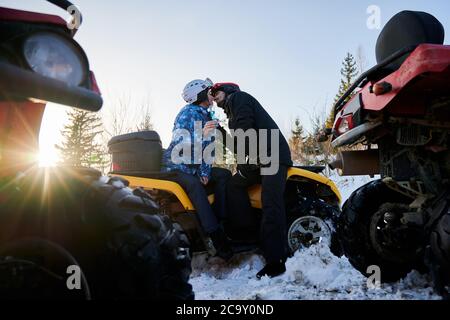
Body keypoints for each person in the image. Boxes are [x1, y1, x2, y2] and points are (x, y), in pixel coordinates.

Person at [210, 82, 293, 279]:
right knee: (233, 184)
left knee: (271, 202)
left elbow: (246, 132)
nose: (213, 97)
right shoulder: (231, 111)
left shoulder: (240, 98)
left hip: (274, 157)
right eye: (211, 94)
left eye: (216, 93)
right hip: (260, 160)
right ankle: (246, 232)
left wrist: (247, 165)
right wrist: (221, 132)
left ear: (228, 91)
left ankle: (276, 262)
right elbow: (239, 141)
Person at [162, 78, 233, 260]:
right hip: (178, 167)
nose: (212, 96)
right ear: (200, 95)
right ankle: (215, 237)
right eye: (209, 92)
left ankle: (222, 222)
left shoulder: (205, 115)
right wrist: (201, 172)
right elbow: (183, 146)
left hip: (194, 166)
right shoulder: (188, 113)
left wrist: (205, 171)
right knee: (195, 186)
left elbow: (207, 150)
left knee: (224, 175)